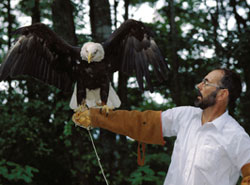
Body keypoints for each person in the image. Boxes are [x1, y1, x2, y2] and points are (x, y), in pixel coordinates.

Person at [72, 68, 250, 185]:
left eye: (206, 83)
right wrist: (96, 117)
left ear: (222, 95)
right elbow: (142, 123)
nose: (199, 86)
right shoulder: (185, 116)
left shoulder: (236, 136)